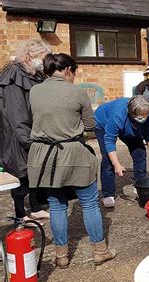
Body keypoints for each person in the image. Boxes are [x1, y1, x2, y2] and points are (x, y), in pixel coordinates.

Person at [27, 53, 115, 267]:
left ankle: (61, 256)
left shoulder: (34, 91)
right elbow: (90, 126)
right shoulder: (78, 93)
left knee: (56, 206)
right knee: (89, 203)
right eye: (74, 72)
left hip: (44, 156)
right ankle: (99, 251)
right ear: (68, 70)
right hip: (74, 153)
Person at [0, 38, 51, 222]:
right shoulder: (14, 75)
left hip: (33, 131)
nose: (45, 62)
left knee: (34, 171)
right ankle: (20, 213)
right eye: (43, 58)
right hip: (17, 134)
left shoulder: (35, 74)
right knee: (20, 173)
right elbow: (16, 112)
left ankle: (36, 207)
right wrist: (28, 141)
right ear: (30, 56)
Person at [94, 96, 149, 207]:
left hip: (129, 128)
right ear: (131, 113)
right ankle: (108, 194)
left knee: (140, 153)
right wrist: (117, 164)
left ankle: (140, 186)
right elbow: (109, 141)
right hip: (103, 123)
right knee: (108, 160)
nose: (143, 118)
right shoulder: (118, 116)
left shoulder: (147, 115)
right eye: (140, 116)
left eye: (145, 115)